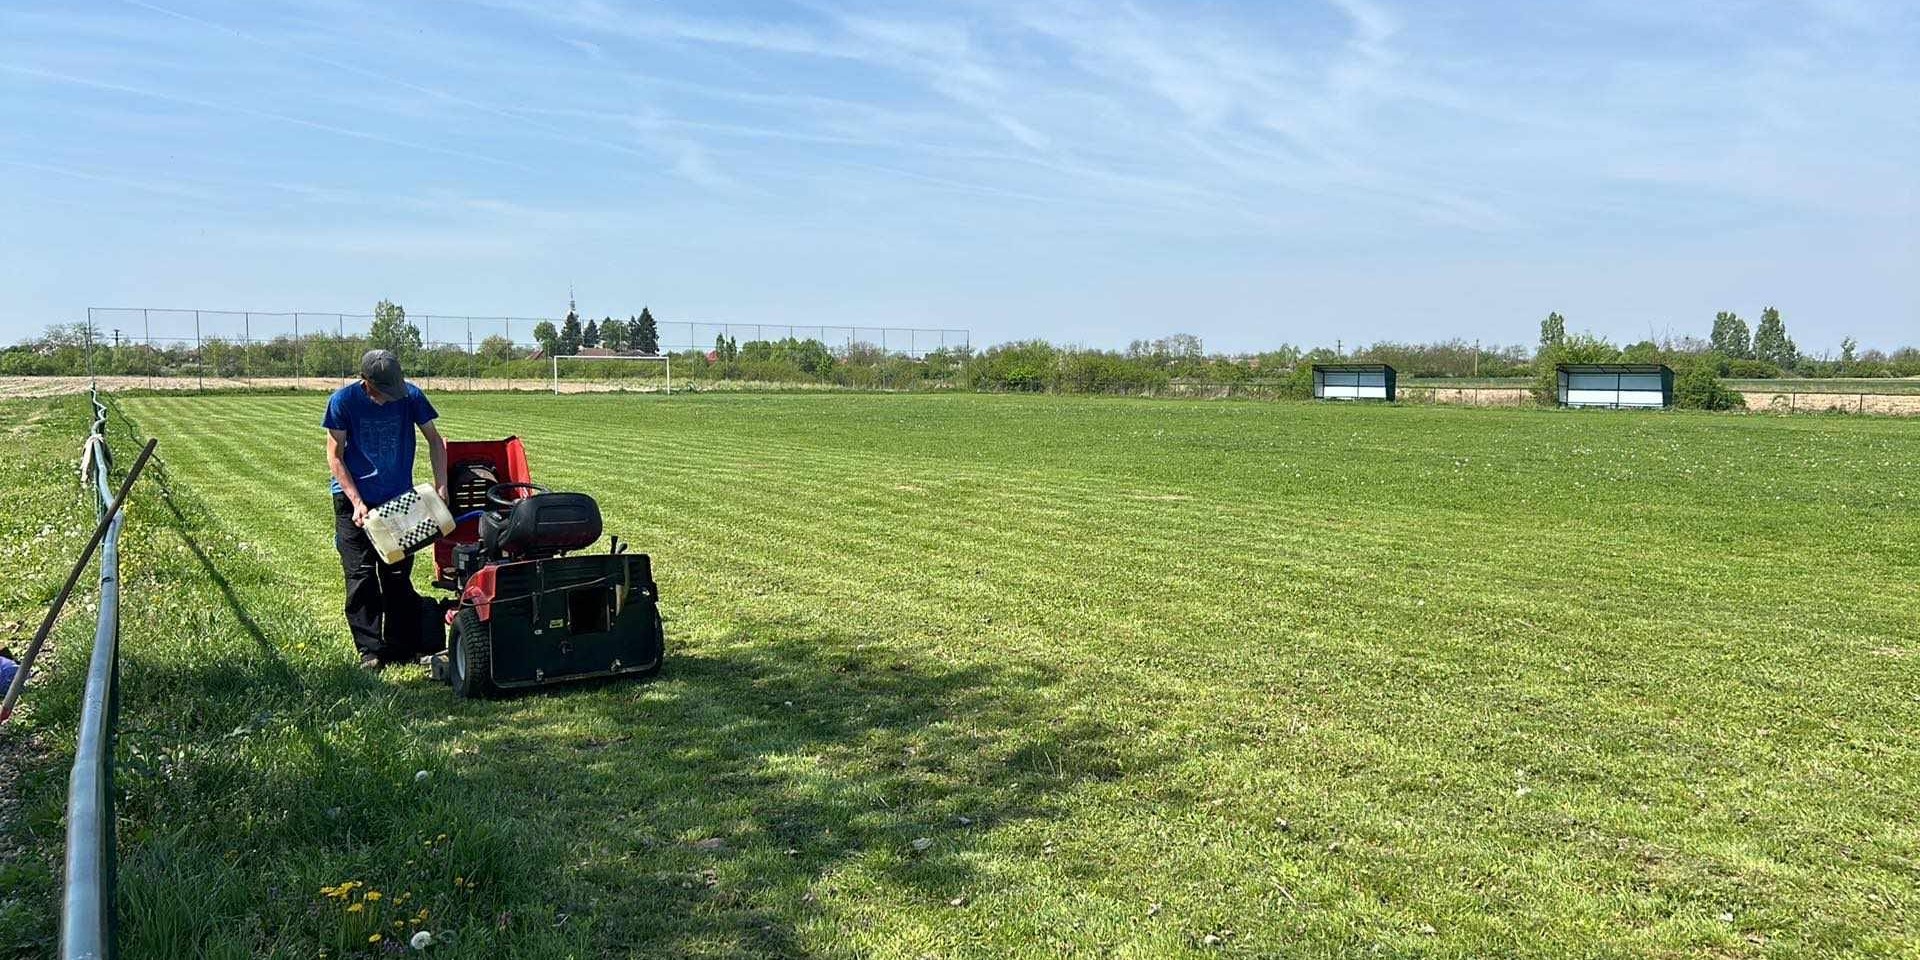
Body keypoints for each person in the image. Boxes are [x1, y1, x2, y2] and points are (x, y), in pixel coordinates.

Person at [325, 349, 448, 669]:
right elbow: (335, 457)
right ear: (365, 382)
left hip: (398, 500)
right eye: (383, 392)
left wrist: (442, 486)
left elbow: (436, 441)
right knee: (360, 574)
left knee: (396, 573)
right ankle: (370, 651)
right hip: (352, 500)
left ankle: (400, 645)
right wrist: (356, 502)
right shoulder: (342, 402)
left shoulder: (411, 396)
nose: (390, 398)